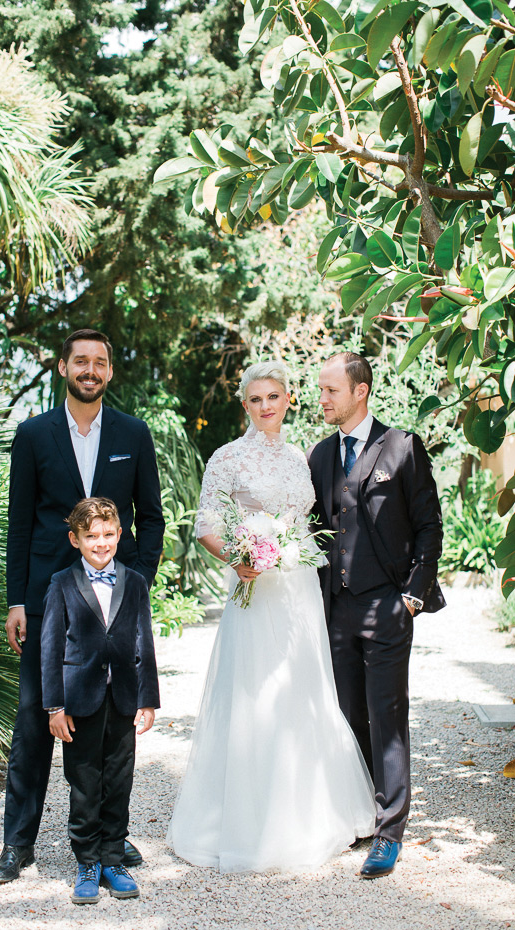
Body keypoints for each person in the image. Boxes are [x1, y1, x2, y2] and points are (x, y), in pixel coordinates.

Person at [167, 361, 376, 873]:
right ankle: (249, 821)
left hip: (300, 585)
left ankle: (315, 812)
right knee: (255, 694)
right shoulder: (226, 458)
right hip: (255, 589)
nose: (266, 406)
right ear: (245, 405)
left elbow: (309, 519)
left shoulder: (299, 457)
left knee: (305, 688)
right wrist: (239, 561)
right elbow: (207, 525)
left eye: (274, 397)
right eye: (256, 399)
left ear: (288, 400)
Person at [0, 329, 165, 884]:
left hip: (116, 601)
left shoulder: (132, 433)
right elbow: (19, 523)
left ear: (110, 372)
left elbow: (152, 516)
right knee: (35, 722)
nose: (90, 369)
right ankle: (18, 843)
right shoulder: (33, 434)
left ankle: (108, 839)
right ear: (63, 366)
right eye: (80, 360)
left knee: (111, 722)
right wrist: (17, 598)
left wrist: (138, 581)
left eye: (100, 362)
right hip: (48, 597)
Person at [307, 352, 445, 879]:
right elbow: (314, 529)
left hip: (387, 603)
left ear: (359, 391)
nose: (322, 400)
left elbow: (429, 525)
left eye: (330, 391)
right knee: (348, 714)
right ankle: (362, 811)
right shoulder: (320, 455)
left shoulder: (403, 447)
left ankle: (389, 831)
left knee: (387, 717)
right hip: (335, 607)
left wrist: (412, 594)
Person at [41, 497, 160, 903]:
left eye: (108, 534)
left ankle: (114, 857)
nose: (101, 543)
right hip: (79, 701)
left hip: (124, 697)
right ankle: (87, 860)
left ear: (119, 535)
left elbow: (144, 641)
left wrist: (148, 700)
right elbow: (51, 648)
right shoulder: (60, 584)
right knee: (84, 781)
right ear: (75, 540)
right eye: (91, 536)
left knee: (119, 779)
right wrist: (54, 707)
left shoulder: (135, 582)